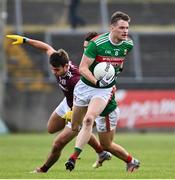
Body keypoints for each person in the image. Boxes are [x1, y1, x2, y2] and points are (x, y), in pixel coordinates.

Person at [6, 32, 112, 173]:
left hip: (78, 108)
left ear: (67, 66)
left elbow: (87, 100)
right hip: (67, 103)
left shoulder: (76, 80)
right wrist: (25, 40)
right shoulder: (58, 60)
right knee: (51, 128)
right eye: (52, 69)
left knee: (57, 143)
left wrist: (74, 114)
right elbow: (46, 48)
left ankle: (42, 170)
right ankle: (101, 152)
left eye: (57, 69)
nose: (54, 72)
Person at [65, 11, 140, 172]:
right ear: (112, 27)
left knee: (89, 119)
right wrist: (96, 81)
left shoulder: (128, 44)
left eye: (127, 28)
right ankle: (108, 154)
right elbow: (83, 68)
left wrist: (110, 79)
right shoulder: (97, 44)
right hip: (86, 87)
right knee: (75, 127)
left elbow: (119, 64)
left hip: (103, 90)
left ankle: (73, 158)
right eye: (121, 28)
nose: (125, 31)